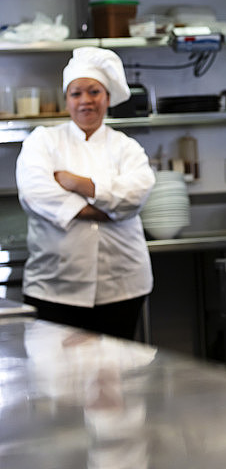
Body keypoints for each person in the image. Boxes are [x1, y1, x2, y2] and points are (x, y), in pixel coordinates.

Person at [16, 47, 155, 340]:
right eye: (76, 93)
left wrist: (75, 183)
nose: (85, 101)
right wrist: (108, 210)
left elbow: (137, 193)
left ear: (107, 97)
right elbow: (36, 193)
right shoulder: (43, 141)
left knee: (115, 378)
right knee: (55, 379)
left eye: (94, 92)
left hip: (122, 285)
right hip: (54, 286)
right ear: (66, 99)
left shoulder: (126, 147)